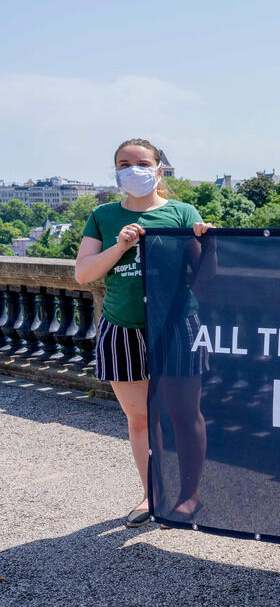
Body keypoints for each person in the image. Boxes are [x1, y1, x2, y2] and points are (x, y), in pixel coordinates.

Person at [75, 139, 214, 527]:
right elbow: (84, 273)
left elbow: (207, 280)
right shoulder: (103, 216)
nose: (132, 169)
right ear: (115, 170)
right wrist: (119, 247)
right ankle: (151, 493)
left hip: (176, 327)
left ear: (158, 169)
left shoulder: (182, 212)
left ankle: (188, 496)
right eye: (124, 163)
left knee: (185, 415)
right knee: (139, 419)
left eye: (141, 163)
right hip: (122, 329)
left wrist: (210, 244)